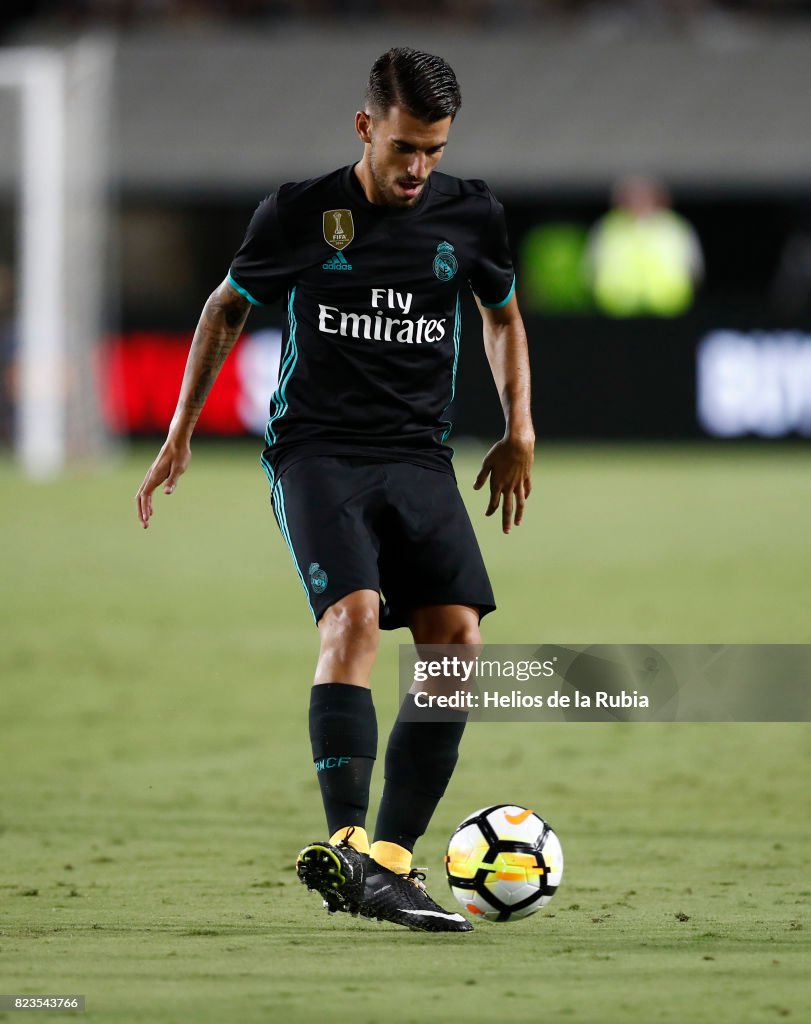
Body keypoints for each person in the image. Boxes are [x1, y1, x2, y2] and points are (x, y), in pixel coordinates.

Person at [135, 47, 534, 933]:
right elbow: (223, 308)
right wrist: (181, 427)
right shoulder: (301, 214)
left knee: (456, 640)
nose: (417, 168)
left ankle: (388, 864)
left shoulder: (470, 216)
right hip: (317, 453)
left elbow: (500, 315)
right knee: (353, 617)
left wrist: (519, 428)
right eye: (403, 148)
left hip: (419, 455)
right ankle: (348, 843)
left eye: (432, 150)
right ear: (365, 128)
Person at [586, 174, 704, 318]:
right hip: (617, 309)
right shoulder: (608, 227)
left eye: (645, 196)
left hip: (669, 308)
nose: (639, 201)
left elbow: (694, 268)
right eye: (632, 196)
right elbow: (591, 267)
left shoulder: (675, 227)